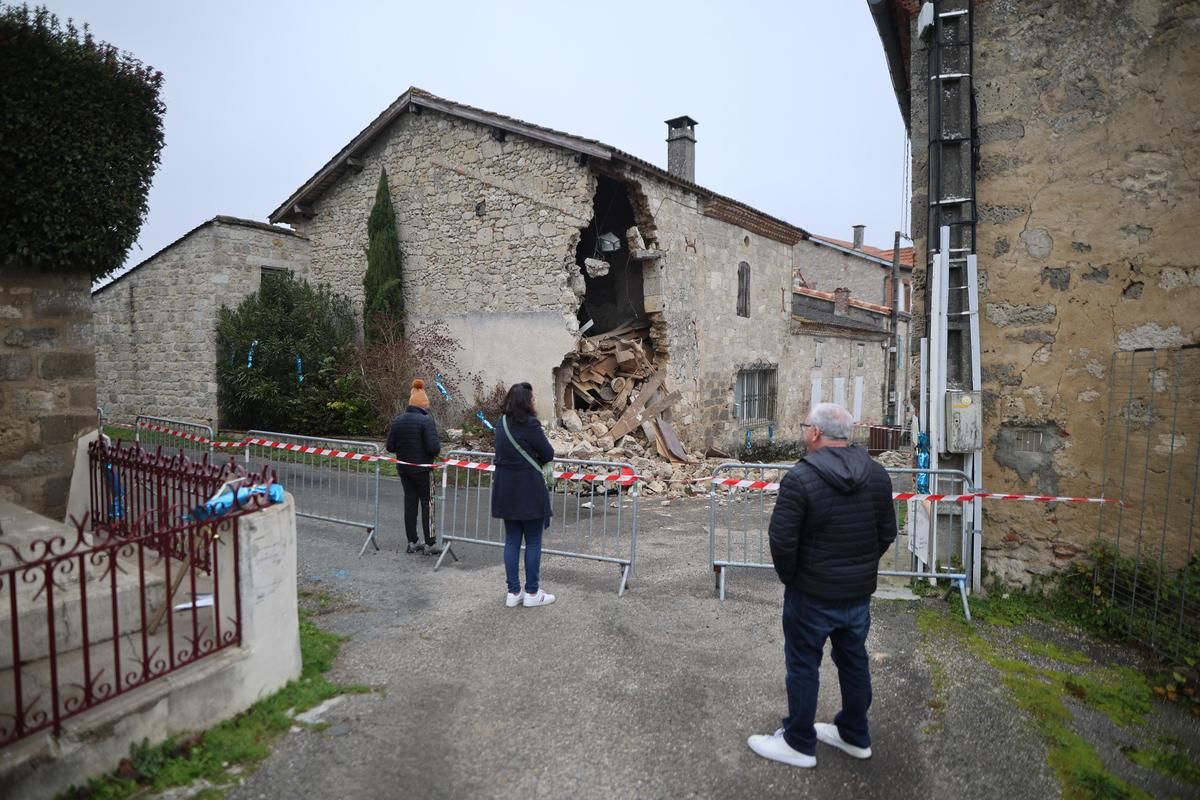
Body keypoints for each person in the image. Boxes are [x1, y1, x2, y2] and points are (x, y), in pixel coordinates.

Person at [748, 402, 897, 769]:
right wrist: (859, 568)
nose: (803, 432)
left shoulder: (801, 478)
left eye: (804, 426)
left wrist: (793, 578)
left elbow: (782, 540)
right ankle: (854, 735)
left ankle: (798, 741)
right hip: (856, 594)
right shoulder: (877, 475)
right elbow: (887, 533)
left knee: (802, 665)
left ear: (815, 433)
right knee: (853, 660)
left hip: (811, 594)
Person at [491, 382, 556, 608]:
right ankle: (532, 592)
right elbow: (548, 453)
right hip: (528, 488)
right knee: (534, 541)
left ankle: (513, 592)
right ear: (526, 402)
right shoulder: (530, 424)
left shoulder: (501, 424)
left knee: (511, 540)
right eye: (532, 398)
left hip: (505, 489)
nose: (534, 401)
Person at [385, 379, 441, 554]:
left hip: (404, 469)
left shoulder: (398, 420)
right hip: (424, 470)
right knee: (427, 504)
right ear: (424, 405)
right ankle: (430, 543)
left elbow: (390, 447)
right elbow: (434, 448)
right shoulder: (426, 421)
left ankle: (412, 541)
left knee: (410, 502)